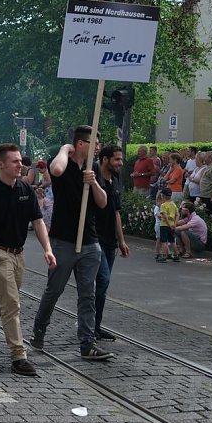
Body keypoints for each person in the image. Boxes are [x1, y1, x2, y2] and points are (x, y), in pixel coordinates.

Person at [0, 143, 55, 377]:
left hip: (18, 254)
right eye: (15, 161)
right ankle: (18, 356)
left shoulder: (25, 189)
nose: (21, 165)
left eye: (21, 162)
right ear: (1, 165)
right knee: (12, 303)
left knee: (3, 300)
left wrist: (48, 249)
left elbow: (38, 222)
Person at [30, 125, 113, 361]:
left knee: (88, 294)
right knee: (54, 290)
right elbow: (55, 170)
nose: (98, 147)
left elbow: (103, 202)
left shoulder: (93, 168)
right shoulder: (62, 162)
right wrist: (66, 148)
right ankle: (39, 328)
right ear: (80, 144)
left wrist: (94, 182)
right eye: (94, 142)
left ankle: (87, 343)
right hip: (63, 240)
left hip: (89, 241)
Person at [94, 144, 130, 342]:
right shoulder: (95, 178)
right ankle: (90, 326)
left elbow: (116, 212)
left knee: (102, 286)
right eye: (117, 159)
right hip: (94, 239)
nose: (120, 163)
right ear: (105, 159)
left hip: (110, 241)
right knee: (103, 280)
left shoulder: (115, 179)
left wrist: (121, 240)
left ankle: (95, 326)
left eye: (121, 159)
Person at [157, 187, 179, 262]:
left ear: (163, 196)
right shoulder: (173, 204)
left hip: (164, 225)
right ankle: (176, 255)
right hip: (172, 225)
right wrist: (174, 224)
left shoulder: (163, 205)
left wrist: (168, 224)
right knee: (172, 241)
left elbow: (165, 216)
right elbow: (177, 214)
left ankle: (164, 256)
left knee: (164, 241)